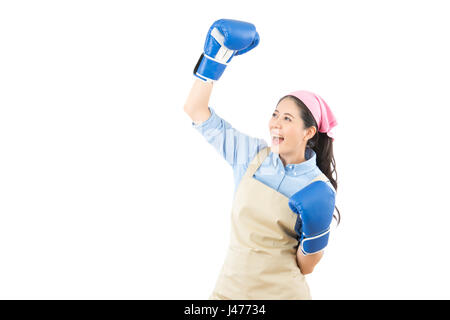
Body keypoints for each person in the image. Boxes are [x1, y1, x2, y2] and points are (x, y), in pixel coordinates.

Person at [184, 19, 340, 300]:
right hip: (229, 294)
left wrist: (316, 238)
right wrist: (215, 57)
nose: (276, 124)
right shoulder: (250, 155)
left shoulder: (318, 188)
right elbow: (195, 109)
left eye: (287, 118)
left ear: (309, 131)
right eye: (275, 114)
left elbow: (306, 267)